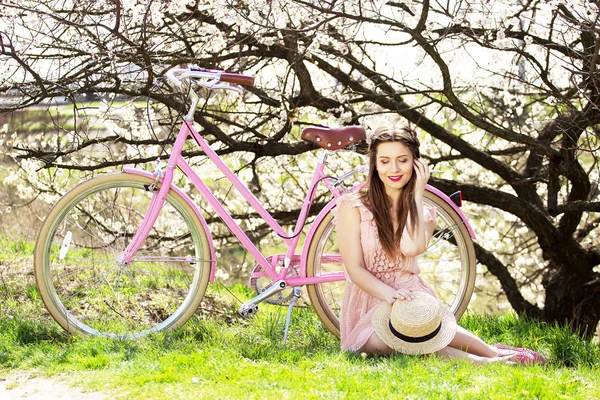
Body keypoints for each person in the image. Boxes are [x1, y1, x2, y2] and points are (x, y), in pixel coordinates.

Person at [335, 125, 546, 365]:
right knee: (388, 340)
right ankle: (486, 362)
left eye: (402, 160)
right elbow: (355, 269)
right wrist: (389, 295)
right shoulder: (352, 207)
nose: (393, 169)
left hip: (411, 296)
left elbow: (411, 249)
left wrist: (416, 194)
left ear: (416, 163)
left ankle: (492, 352)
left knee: (420, 327)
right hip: (371, 298)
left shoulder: (423, 212)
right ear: (374, 165)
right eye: (384, 161)